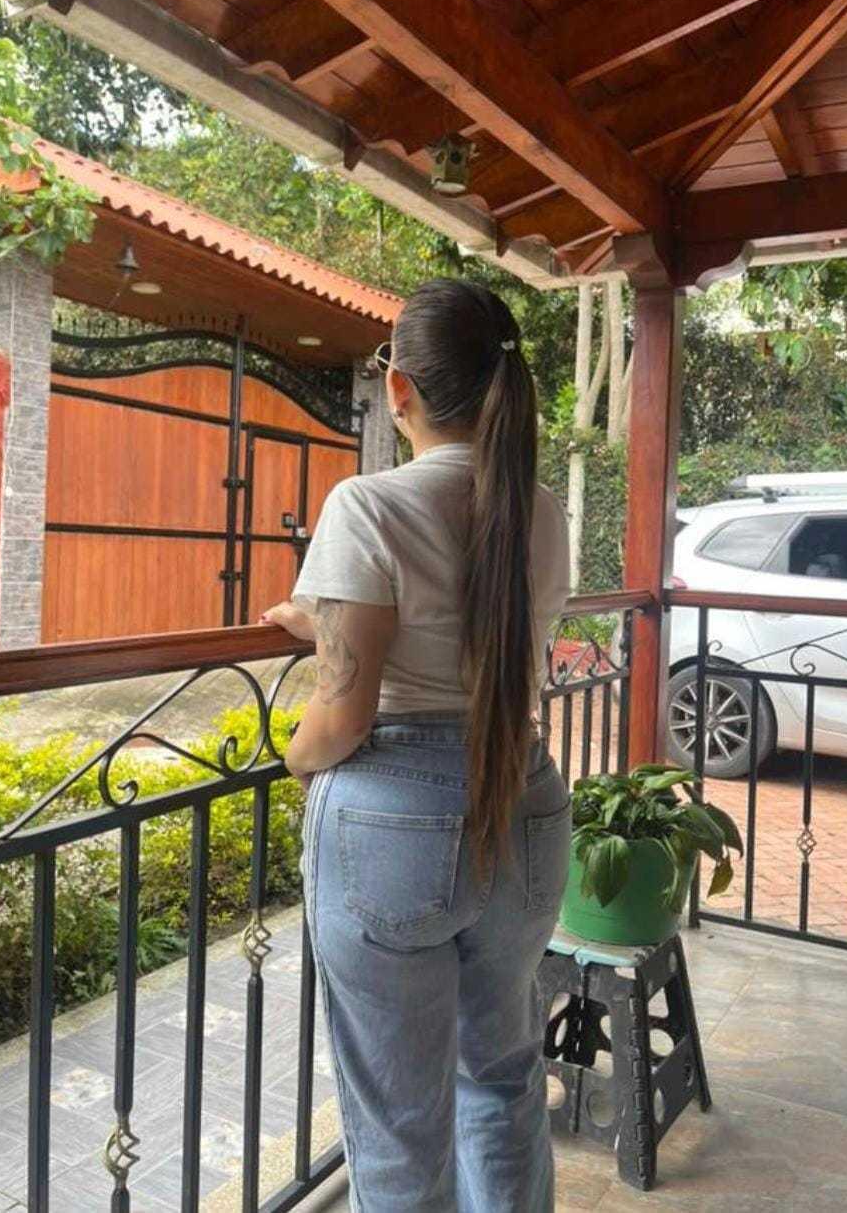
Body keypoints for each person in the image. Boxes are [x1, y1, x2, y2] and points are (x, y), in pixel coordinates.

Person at [262, 278, 572, 1212]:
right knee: (504, 1079)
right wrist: (324, 616)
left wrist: (293, 758)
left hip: (394, 823)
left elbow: (342, 717)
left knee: (401, 1125)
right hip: (523, 795)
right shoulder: (541, 509)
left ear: (399, 388)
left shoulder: (367, 504)